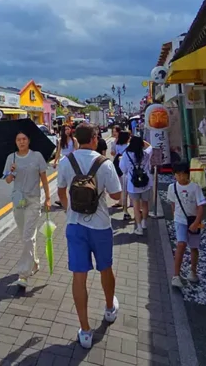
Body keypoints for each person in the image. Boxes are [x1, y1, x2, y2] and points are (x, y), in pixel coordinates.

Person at [56, 123, 122, 349]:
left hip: (75, 226)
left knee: (79, 276)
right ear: (95, 138)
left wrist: (69, 210)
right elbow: (116, 194)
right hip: (101, 225)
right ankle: (109, 309)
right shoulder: (105, 164)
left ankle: (85, 331)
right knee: (106, 268)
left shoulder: (66, 162)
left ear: (76, 139)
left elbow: (61, 192)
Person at [4, 131, 51, 289]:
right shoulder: (11, 157)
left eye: (24, 139)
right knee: (25, 236)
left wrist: (48, 198)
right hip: (18, 201)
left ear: (29, 141)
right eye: (18, 139)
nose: (21, 142)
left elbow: (44, 178)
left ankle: (23, 274)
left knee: (27, 236)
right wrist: (11, 171)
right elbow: (8, 180)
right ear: (15, 142)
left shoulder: (37, 156)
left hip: (33, 200)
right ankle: (35, 262)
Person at [167, 162, 206, 287]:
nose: (181, 177)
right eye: (178, 175)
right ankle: (176, 275)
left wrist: (197, 222)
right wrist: (175, 217)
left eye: (183, 175)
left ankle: (193, 272)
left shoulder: (195, 187)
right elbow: (172, 203)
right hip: (180, 220)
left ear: (188, 174)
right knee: (181, 244)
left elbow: (200, 207)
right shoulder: (172, 187)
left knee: (194, 247)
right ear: (174, 175)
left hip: (195, 220)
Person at [120, 135, 153, 234]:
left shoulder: (126, 154)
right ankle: (144, 223)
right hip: (145, 183)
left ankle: (139, 228)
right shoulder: (145, 154)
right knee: (145, 204)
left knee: (136, 206)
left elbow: (123, 169)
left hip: (133, 184)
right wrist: (141, 141)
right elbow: (150, 146)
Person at [111, 131, 131, 218]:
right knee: (127, 185)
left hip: (117, 163)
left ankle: (121, 202)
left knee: (121, 184)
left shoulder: (117, 144)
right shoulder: (129, 146)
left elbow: (113, 152)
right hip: (125, 165)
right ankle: (129, 203)